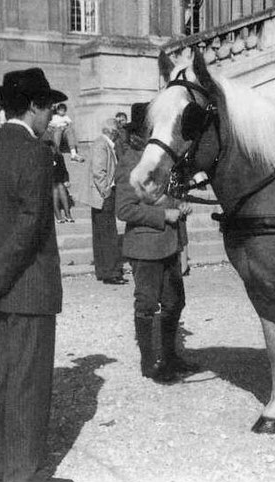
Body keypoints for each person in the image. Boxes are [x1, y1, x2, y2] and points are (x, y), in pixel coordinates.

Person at [0, 67, 75, 482]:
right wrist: (0, 276)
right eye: (49, 107)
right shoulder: (34, 152)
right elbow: (31, 226)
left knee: (2, 374)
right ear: (33, 106)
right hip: (28, 284)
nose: (51, 117)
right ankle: (22, 475)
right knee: (28, 378)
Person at [115, 103, 199, 382]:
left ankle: (171, 356)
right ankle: (150, 362)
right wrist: (165, 214)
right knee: (147, 304)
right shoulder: (130, 161)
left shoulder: (161, 159)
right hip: (145, 247)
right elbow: (124, 210)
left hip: (169, 244)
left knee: (175, 302)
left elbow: (167, 194)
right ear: (142, 131)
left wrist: (180, 204)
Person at [88, 117, 126, 284]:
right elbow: (99, 171)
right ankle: (111, 271)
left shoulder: (102, 144)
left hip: (101, 195)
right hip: (103, 195)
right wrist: (106, 192)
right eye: (117, 133)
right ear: (112, 132)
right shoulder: (102, 145)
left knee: (102, 234)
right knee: (108, 234)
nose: (118, 136)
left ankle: (104, 270)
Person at [48, 140, 74, 223]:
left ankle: (67, 213)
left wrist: (66, 180)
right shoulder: (44, 159)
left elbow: (64, 171)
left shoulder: (59, 157)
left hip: (58, 181)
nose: (52, 150)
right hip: (48, 182)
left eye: (53, 149)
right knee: (55, 189)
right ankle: (58, 214)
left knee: (61, 187)